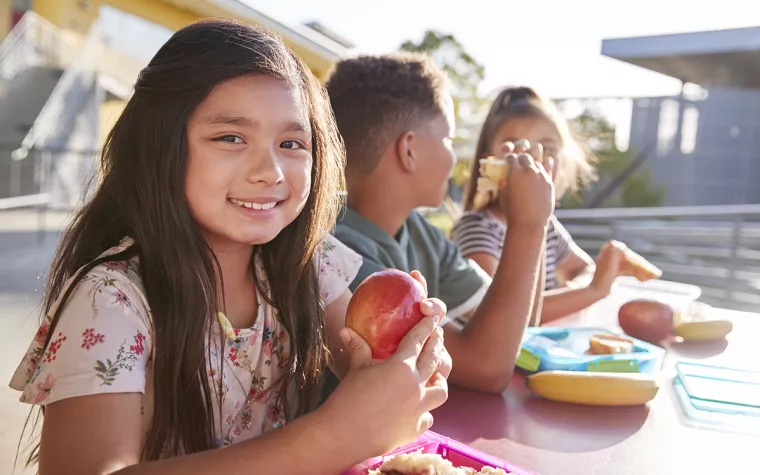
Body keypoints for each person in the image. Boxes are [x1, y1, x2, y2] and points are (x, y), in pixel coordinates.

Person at [9, 20, 451, 474]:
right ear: (160, 147)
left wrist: (409, 359)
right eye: (231, 138)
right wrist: (333, 435)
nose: (271, 170)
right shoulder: (113, 300)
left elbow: (370, 375)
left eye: (292, 143)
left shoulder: (308, 266)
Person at [326, 54, 554, 394]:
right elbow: (486, 368)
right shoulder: (338, 249)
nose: (454, 156)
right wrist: (528, 224)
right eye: (448, 139)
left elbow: (518, 325)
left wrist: (532, 216)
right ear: (409, 150)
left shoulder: (419, 232)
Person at [453, 86, 627, 323]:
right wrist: (591, 292)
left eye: (548, 150)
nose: (532, 162)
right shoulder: (478, 228)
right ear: (489, 160)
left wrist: (579, 289)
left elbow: (583, 269)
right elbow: (499, 314)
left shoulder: (549, 226)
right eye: (515, 151)